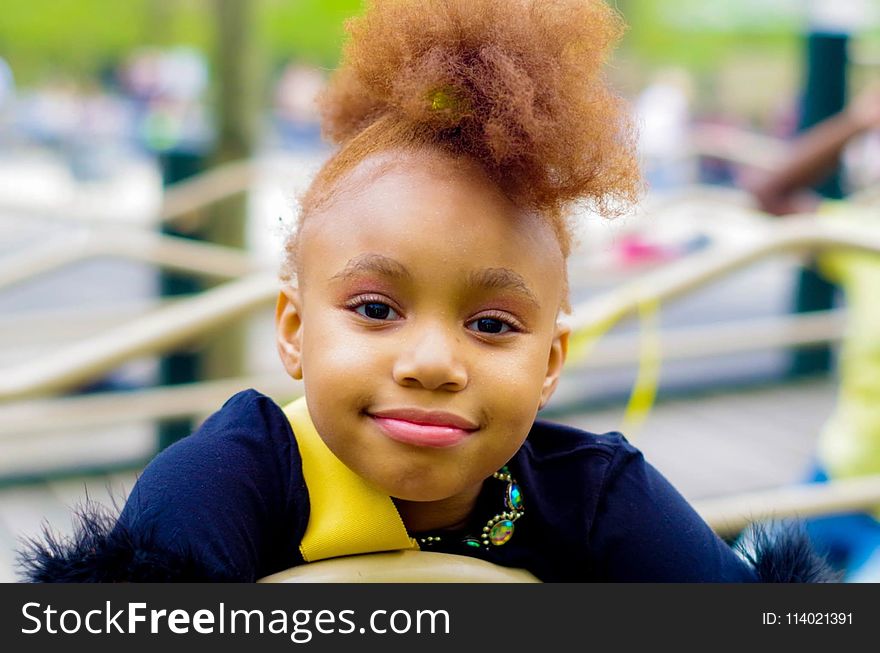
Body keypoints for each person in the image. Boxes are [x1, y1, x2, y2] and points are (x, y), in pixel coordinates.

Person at [19, 0, 833, 583]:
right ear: (294, 330)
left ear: (552, 361)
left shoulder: (597, 496)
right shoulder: (224, 484)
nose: (434, 362)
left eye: (491, 322)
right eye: (375, 309)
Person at [745, 84, 880, 582]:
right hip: (837, 473)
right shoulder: (864, 235)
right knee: (735, 582)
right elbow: (768, 193)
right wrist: (859, 119)